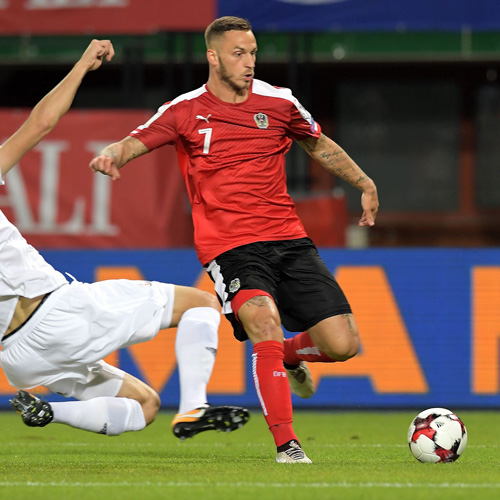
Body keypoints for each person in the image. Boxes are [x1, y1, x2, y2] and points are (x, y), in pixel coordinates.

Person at [89, 16, 379, 463]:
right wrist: (112, 154)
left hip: (288, 239)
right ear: (213, 56)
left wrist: (364, 183)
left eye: (253, 53)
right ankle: (288, 445)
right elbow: (136, 142)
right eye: (238, 53)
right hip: (230, 247)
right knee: (264, 320)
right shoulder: (184, 109)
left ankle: (284, 355)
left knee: (343, 344)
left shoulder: (279, 102)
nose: (249, 63)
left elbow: (318, 144)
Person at [0, 39, 249, 440]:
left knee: (144, 404)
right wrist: (81, 66)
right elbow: (40, 123)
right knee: (202, 302)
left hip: (17, 358)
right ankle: (192, 408)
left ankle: (50, 412)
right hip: (58, 314)